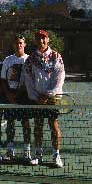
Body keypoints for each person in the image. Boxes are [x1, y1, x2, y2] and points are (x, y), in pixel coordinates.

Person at [24, 30, 65, 168]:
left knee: (53, 126)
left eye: (43, 38)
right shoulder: (30, 59)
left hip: (53, 98)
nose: (41, 41)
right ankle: (38, 155)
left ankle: (56, 155)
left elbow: (59, 79)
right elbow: (28, 80)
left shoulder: (57, 56)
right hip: (36, 99)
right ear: (35, 41)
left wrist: (48, 95)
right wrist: (36, 97)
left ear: (48, 40)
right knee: (38, 126)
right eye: (38, 39)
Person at [0, 35, 32, 164]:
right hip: (10, 95)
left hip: (24, 96)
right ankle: (9, 150)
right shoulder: (8, 60)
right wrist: (9, 94)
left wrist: (19, 93)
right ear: (13, 45)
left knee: (26, 124)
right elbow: (3, 79)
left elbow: (30, 79)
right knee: (10, 124)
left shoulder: (30, 59)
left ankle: (27, 151)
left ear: (24, 44)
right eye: (16, 43)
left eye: (21, 43)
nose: (19, 45)